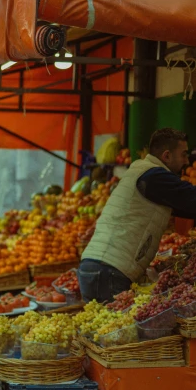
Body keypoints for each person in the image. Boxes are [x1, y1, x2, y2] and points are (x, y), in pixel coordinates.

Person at [79, 128, 196, 302]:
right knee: (119, 328)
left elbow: (185, 206)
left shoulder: (141, 171)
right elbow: (191, 199)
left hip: (96, 266)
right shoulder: (154, 176)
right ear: (167, 156)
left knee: (103, 327)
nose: (187, 161)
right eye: (184, 155)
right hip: (109, 270)